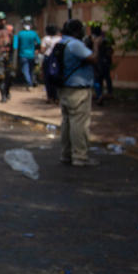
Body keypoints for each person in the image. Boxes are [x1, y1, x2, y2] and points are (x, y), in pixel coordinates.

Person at [56, 19, 100, 167]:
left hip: (64, 87)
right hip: (78, 88)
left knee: (67, 121)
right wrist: (96, 45)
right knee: (79, 123)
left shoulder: (61, 43)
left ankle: (66, 154)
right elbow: (93, 58)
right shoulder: (75, 44)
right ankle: (80, 156)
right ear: (76, 31)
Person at [12, 18, 40, 90]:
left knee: (25, 70)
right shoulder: (34, 33)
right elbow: (39, 43)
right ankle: (31, 81)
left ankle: (29, 83)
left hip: (22, 55)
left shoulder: (19, 34)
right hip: (32, 55)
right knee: (31, 70)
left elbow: (15, 45)